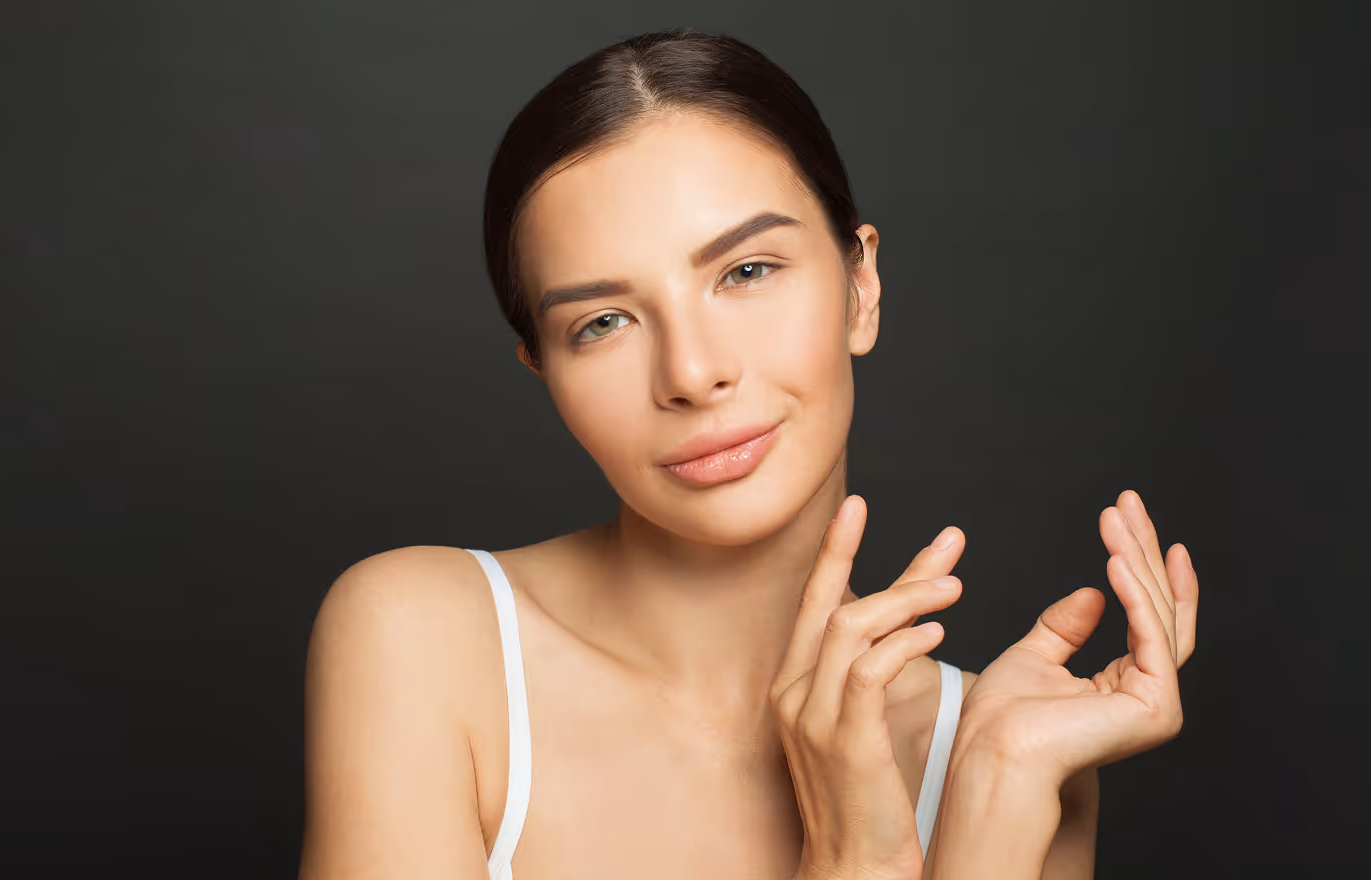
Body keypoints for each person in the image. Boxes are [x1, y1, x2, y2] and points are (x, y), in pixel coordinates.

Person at [298, 27, 1198, 880]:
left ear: (861, 286)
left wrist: (997, 796)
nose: (692, 373)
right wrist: (854, 864)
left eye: (747, 271)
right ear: (541, 366)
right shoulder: (426, 640)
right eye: (602, 323)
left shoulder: (1013, 744)